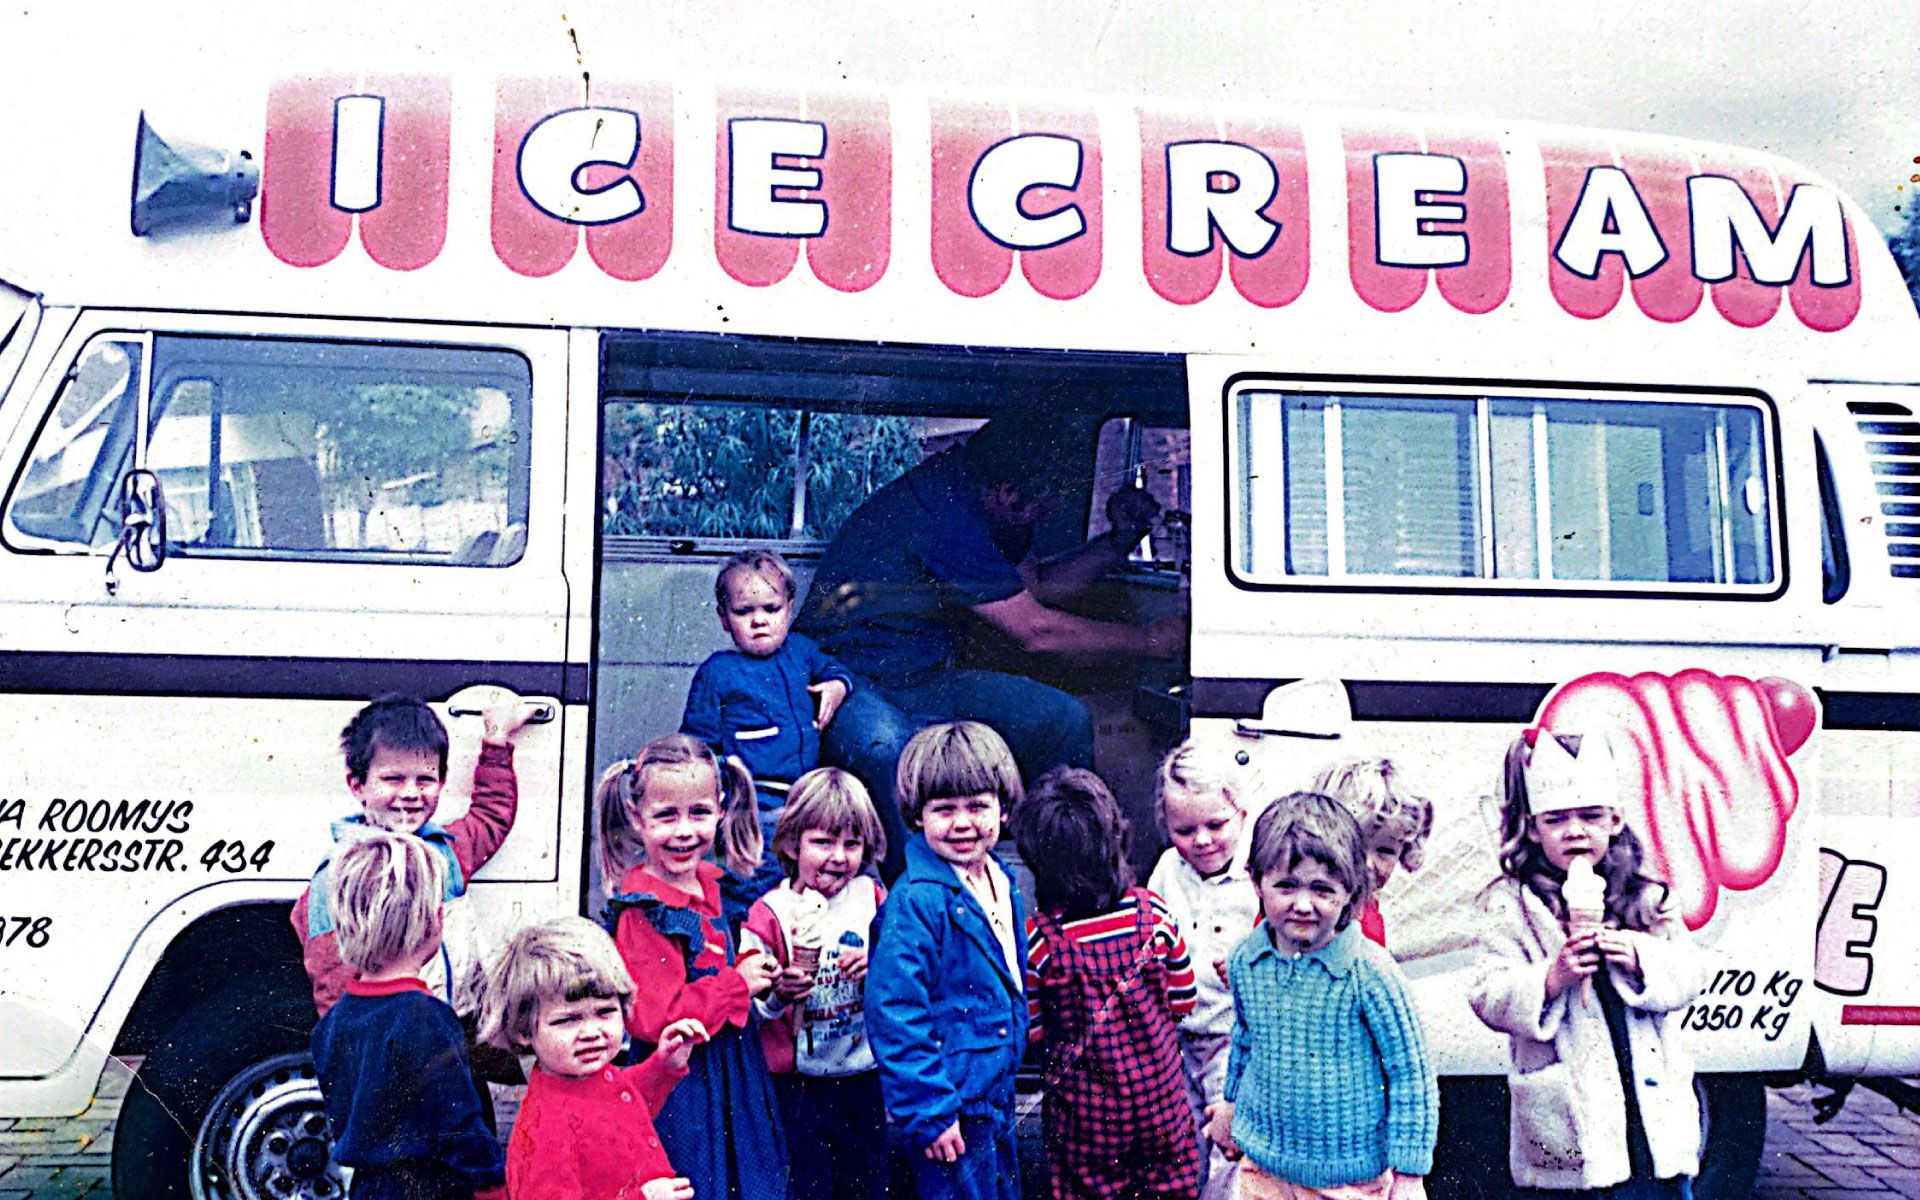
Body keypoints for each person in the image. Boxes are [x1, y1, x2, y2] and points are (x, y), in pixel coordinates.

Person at [795, 416, 1185, 878]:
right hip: (850, 677)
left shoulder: (966, 492)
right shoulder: (942, 510)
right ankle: (920, 893)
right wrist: (1149, 641)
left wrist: (1120, 542)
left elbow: (1034, 587)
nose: (1044, 517)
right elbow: (1035, 631)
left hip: (925, 677)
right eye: (1040, 506)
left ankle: (1065, 880)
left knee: (1061, 720)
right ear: (1004, 493)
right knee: (886, 750)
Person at [1468, 730, 1706, 1199]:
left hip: (1648, 1113)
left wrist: (1641, 957)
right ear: (1533, 828)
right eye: (1556, 820)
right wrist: (1550, 980)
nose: (1575, 830)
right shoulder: (1513, 905)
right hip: (1570, 1120)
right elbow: (1487, 994)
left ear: (1615, 820)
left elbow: (1691, 973)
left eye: (1591, 816)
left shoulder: (1646, 897)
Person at [1206, 792, 1437, 1200]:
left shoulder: (1371, 974)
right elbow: (1244, 1041)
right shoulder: (1246, 959)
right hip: (1262, 1169)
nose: (1303, 904)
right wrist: (1230, 1106)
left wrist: (1409, 1175)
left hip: (1349, 1183)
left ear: (1351, 890)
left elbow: (1411, 1076)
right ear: (1256, 880)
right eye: (1286, 885)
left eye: (1322, 889)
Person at [597, 734, 791, 1200]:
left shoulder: (712, 885)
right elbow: (652, 1018)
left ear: (721, 809)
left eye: (699, 813)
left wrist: (755, 974)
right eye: (666, 816)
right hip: (683, 1086)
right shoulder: (646, 909)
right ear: (637, 819)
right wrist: (736, 986)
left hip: (730, 1071)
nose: (685, 831)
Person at [293, 690, 539, 1018]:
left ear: (442, 781)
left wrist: (496, 740)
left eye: (425, 780)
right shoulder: (340, 874)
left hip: (457, 1018)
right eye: (393, 779)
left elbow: (491, 814)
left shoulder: (447, 848)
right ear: (358, 786)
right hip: (390, 1031)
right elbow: (331, 976)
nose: (410, 794)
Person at [1015, 767, 1200, 1200]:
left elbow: (1035, 1031)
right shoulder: (1154, 914)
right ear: (1117, 839)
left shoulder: (1040, 942)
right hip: (1161, 1103)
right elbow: (1184, 999)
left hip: (1088, 1117)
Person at [867, 722, 1031, 1200]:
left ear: (1002, 809)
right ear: (917, 816)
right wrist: (930, 1109)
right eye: (944, 810)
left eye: (977, 806)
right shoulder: (917, 900)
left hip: (992, 1091)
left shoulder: (1000, 879)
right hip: (950, 1102)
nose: (962, 824)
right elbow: (895, 1011)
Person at [309, 832, 506, 1200]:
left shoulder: (332, 1023)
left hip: (368, 1188)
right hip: (432, 1187)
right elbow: (457, 1124)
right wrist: (493, 1183)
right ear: (432, 924)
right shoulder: (426, 1018)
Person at [739, 768, 891, 1200]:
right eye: (823, 842)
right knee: (808, 1184)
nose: (838, 857)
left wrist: (876, 966)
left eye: (851, 843)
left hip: (861, 1072)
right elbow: (752, 1000)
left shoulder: (873, 900)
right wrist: (776, 992)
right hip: (797, 1081)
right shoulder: (769, 913)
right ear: (792, 843)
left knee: (866, 1181)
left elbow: (902, 975)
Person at [480, 916, 709, 1200]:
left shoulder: (592, 1078)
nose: (591, 1032)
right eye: (568, 1020)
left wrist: (664, 1066)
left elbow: (622, 1103)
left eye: (604, 1012)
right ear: (524, 1029)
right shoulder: (545, 1130)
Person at [684, 549, 855, 910]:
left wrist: (836, 687)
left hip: (806, 801)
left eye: (770, 609)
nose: (759, 620)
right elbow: (698, 747)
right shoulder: (718, 672)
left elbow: (835, 670)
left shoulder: (803, 653)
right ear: (724, 619)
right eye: (744, 612)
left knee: (803, 891)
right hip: (752, 806)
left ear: (789, 609)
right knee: (752, 888)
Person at [1145, 742, 1262, 1200]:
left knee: (1229, 1147)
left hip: (1232, 1039)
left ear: (1242, 812)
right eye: (1185, 829)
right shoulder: (1168, 870)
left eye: (1216, 825)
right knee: (1181, 1142)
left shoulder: (1257, 876)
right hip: (1177, 1037)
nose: (1203, 840)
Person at [1311, 758, 1434, 948]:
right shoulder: (1299, 914)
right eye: (1353, 845)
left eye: (1385, 851)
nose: (1368, 863)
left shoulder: (1367, 911)